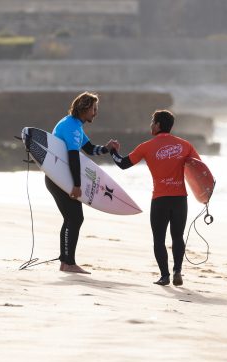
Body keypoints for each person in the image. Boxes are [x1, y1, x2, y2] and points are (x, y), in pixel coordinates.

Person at [108, 109, 201, 286]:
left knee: (159, 239)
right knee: (178, 237)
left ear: (158, 125)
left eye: (152, 122)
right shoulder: (185, 145)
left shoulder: (146, 147)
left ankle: (165, 276)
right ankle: (177, 271)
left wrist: (113, 151)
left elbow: (123, 164)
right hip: (180, 198)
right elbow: (199, 170)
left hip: (160, 199)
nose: (151, 125)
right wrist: (204, 195)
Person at [48, 91, 118, 274]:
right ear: (85, 108)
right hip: (62, 179)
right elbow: (73, 158)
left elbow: (88, 149)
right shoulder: (71, 127)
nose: (95, 113)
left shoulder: (75, 126)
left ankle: (66, 262)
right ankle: (68, 263)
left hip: (58, 178)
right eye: (94, 109)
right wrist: (77, 186)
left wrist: (107, 148)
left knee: (71, 218)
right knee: (75, 218)